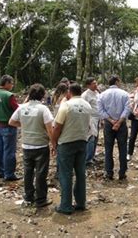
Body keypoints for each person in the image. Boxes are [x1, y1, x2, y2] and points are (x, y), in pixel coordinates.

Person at [9, 84, 54, 208]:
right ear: (42, 95)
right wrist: (54, 144)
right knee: (41, 173)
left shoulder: (22, 108)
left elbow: (11, 121)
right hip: (40, 145)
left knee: (28, 172)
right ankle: (40, 199)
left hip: (26, 145)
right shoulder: (43, 109)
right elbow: (50, 129)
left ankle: (28, 197)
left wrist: (24, 125)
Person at [51, 83, 91, 215]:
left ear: (69, 92)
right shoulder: (87, 105)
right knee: (80, 174)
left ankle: (66, 205)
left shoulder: (66, 106)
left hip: (67, 143)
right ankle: (80, 203)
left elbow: (57, 127)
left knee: (66, 174)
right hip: (82, 142)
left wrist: (54, 142)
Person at [97, 75, 130, 180]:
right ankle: (122, 172)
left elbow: (100, 110)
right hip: (121, 124)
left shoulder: (102, 95)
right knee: (123, 148)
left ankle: (109, 172)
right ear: (117, 81)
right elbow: (127, 109)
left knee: (108, 149)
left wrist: (111, 121)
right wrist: (119, 122)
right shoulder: (125, 94)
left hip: (108, 124)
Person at [0, 75, 20, 181]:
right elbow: (17, 110)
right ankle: (9, 173)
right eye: (11, 83)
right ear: (6, 83)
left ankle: (0, 170)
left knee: (0, 149)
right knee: (9, 151)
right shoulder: (9, 95)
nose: (12, 85)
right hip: (9, 126)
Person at [81, 77, 100, 165]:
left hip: (98, 118)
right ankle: (88, 159)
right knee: (91, 138)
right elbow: (83, 108)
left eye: (96, 83)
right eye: (93, 83)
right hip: (90, 118)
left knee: (96, 138)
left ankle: (92, 156)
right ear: (88, 85)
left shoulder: (97, 93)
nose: (96, 85)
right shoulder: (85, 95)